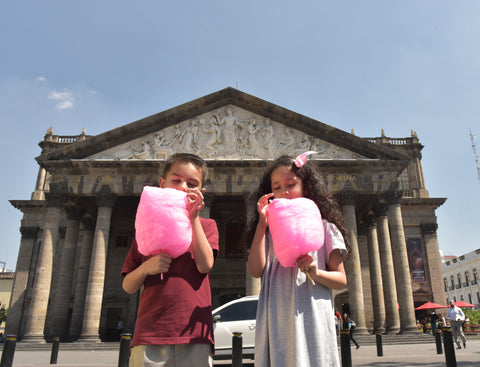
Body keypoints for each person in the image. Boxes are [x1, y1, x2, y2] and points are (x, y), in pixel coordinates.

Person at [247, 154, 348, 366]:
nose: (284, 191)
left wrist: (315, 271)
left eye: (291, 184)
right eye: (276, 188)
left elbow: (341, 280)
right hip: (277, 313)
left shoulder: (326, 228)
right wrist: (262, 225)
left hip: (312, 313)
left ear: (306, 188)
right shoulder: (268, 232)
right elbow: (255, 271)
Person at [122, 153, 219, 367]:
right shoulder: (146, 229)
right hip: (150, 333)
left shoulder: (206, 225)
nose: (183, 187)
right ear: (161, 184)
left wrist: (193, 218)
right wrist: (146, 268)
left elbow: (205, 265)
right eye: (176, 180)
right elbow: (128, 285)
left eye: (192, 183)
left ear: (202, 193)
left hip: (194, 333)